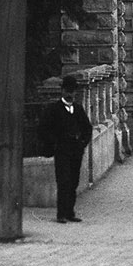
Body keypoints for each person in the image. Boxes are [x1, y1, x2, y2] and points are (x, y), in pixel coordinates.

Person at [47, 76, 92, 224]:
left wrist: (82, 144)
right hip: (62, 150)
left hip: (75, 150)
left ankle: (70, 212)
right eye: (67, 91)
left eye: (72, 91)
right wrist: (54, 143)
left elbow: (87, 128)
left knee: (73, 181)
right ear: (62, 91)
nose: (70, 94)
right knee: (63, 181)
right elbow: (45, 129)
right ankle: (61, 213)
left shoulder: (78, 109)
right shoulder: (55, 109)